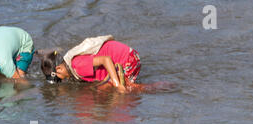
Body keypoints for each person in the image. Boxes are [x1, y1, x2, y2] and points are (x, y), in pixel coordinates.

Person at [40, 35, 171, 93]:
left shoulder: (77, 66)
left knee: (127, 89)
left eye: (58, 79)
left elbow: (106, 60)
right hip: (128, 54)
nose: (61, 81)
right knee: (101, 89)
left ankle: (160, 87)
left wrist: (117, 84)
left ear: (58, 69)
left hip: (128, 59)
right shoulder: (71, 62)